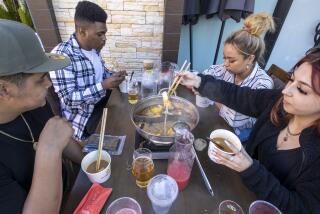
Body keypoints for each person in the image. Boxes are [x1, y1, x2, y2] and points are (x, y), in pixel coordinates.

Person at [179, 47, 320, 213]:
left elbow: (301, 209)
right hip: (237, 188)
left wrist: (250, 168)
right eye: (291, 79)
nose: (285, 90)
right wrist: (199, 82)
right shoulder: (278, 102)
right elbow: (239, 95)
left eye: (302, 90)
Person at [0, 20, 84, 213]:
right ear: (4, 89)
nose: (49, 84)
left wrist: (90, 163)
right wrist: (48, 150)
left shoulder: (34, 103)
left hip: (70, 188)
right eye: (40, 79)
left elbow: (61, 139)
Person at [49, 1, 126, 141]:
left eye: (105, 33)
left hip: (101, 102)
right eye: (100, 34)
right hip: (84, 119)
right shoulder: (61, 56)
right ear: (82, 31)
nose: (104, 38)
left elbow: (99, 75)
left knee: (126, 114)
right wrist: (103, 85)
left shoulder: (93, 49)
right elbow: (68, 100)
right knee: (121, 130)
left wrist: (113, 76)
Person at [202, 12, 275, 142]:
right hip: (220, 121)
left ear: (250, 59)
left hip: (240, 135)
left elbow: (235, 119)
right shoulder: (227, 69)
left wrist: (211, 92)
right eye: (224, 58)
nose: (225, 64)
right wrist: (198, 80)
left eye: (231, 60)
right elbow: (208, 73)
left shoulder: (263, 84)